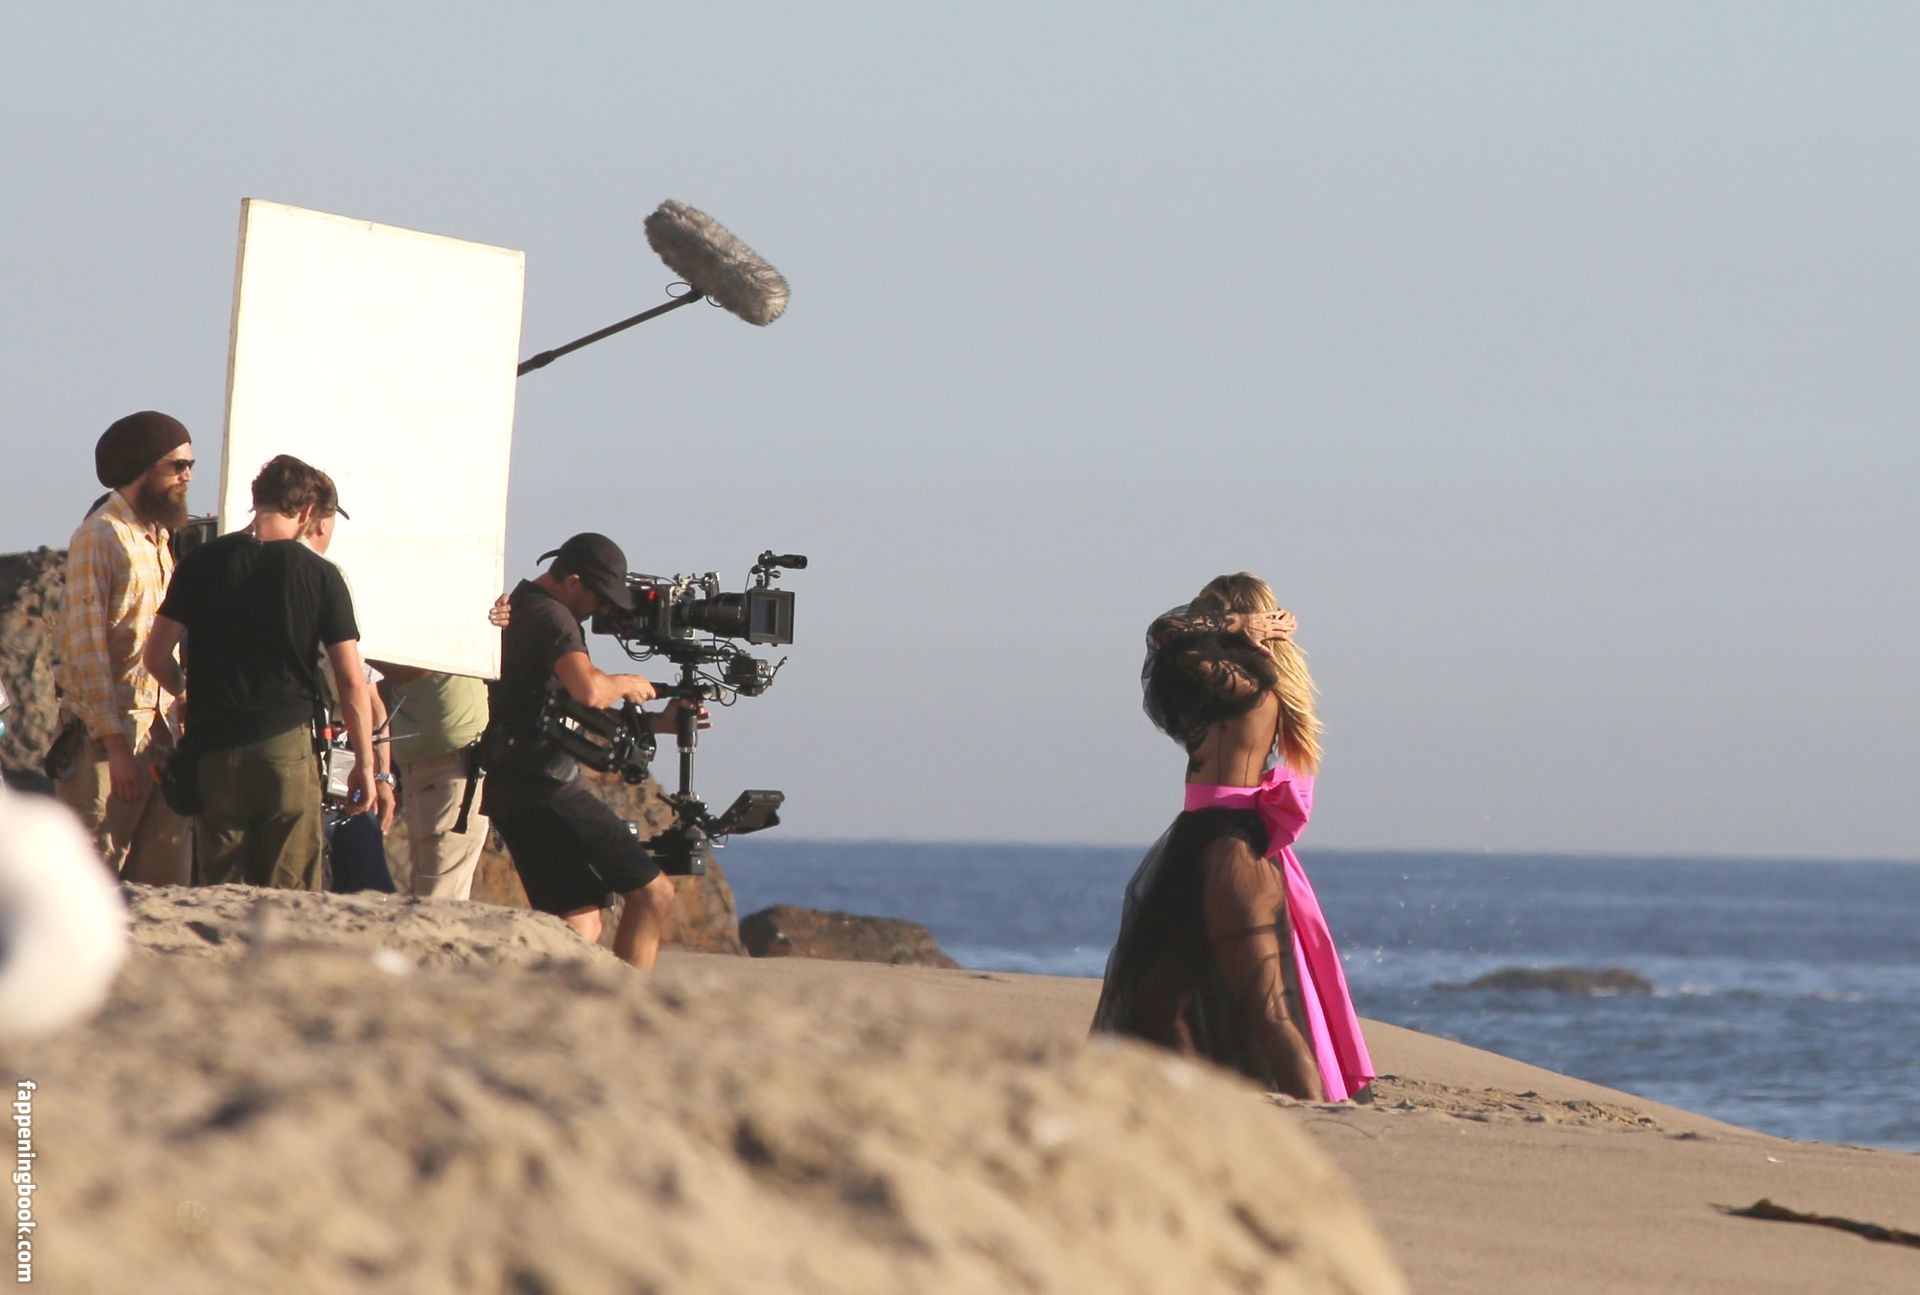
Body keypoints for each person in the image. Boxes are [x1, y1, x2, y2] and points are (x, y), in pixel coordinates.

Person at [1091, 573, 1375, 1102]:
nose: (1204, 621)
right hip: (1201, 842)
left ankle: (1321, 1116)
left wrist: (1239, 624)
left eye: (1213, 611)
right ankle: (1198, 1106)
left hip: (1228, 848)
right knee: (1154, 1001)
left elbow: (1165, 632)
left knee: (1267, 1012)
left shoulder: (1246, 682)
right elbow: (1172, 643)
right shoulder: (1227, 681)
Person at [142, 455, 377, 891]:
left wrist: (185, 691)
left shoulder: (200, 563)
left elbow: (155, 656)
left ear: (256, 501)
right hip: (285, 745)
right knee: (290, 891)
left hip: (214, 747)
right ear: (307, 512)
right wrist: (365, 762)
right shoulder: (321, 575)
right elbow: (350, 680)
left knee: (221, 892)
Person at [481, 533, 696, 969]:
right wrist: (628, 683)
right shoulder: (551, 616)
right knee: (653, 893)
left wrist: (656, 723)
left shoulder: (525, 606)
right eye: (600, 597)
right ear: (573, 581)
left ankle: (553, 1001)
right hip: (543, 786)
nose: (602, 610)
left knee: (580, 923)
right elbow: (590, 691)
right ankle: (625, 1001)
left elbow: (562, 709)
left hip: (516, 785)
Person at [52, 411, 196, 885]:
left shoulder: (160, 537)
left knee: (164, 887)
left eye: (190, 465)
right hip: (105, 746)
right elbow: (86, 648)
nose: (188, 476)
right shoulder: (100, 535)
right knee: (92, 882)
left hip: (160, 736)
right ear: (143, 466)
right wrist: (115, 748)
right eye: (178, 465)